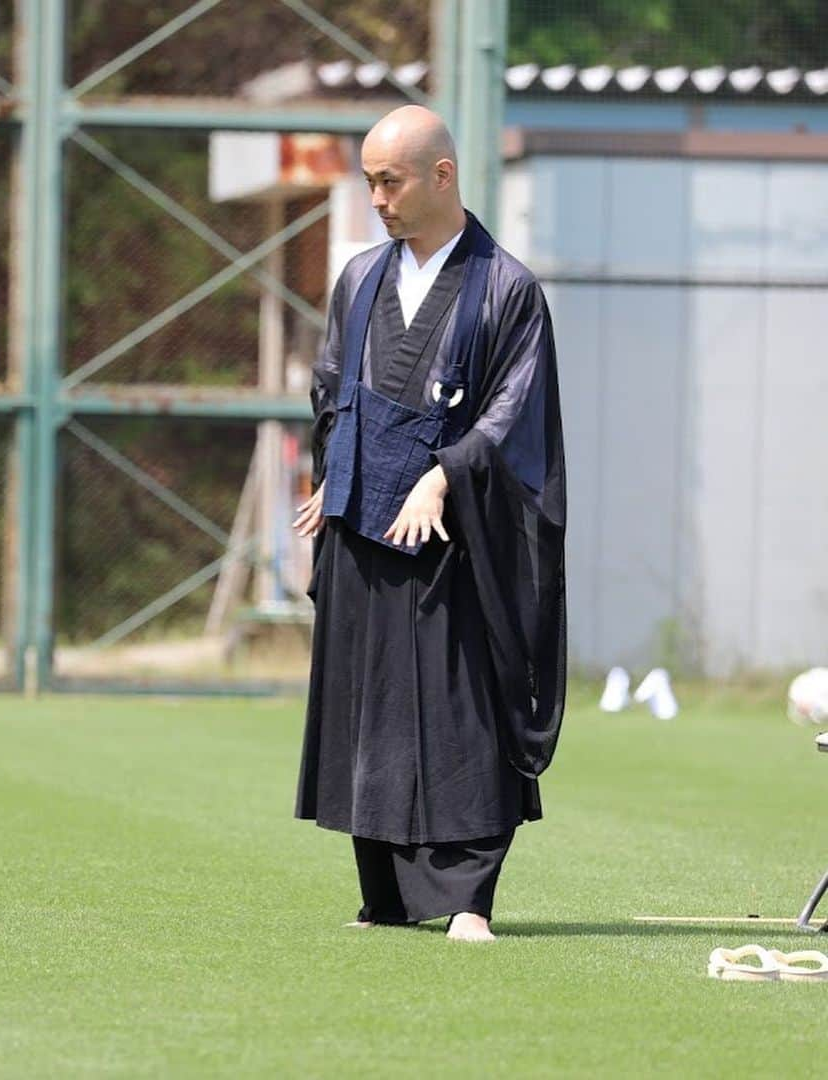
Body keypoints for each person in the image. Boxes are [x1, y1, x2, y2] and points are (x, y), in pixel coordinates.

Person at [292, 105, 566, 943]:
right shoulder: (360, 279)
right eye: (369, 180)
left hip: (456, 540)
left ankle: (470, 899)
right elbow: (332, 385)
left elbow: (514, 417)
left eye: (391, 180)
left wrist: (444, 477)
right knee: (368, 705)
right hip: (363, 526)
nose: (376, 198)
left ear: (442, 176)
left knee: (461, 708)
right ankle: (385, 894)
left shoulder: (506, 287)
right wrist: (335, 472)